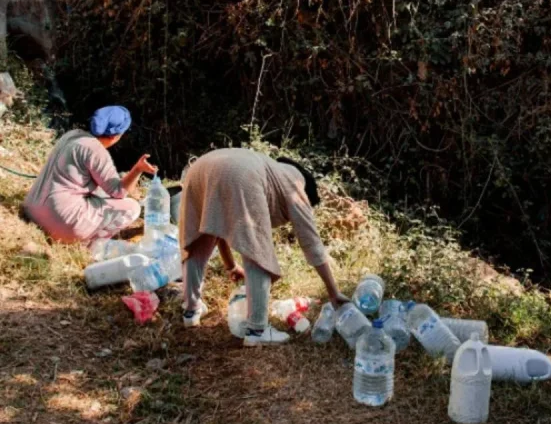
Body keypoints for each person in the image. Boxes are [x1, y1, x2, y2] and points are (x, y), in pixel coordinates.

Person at [179, 148, 349, 346]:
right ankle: (257, 330)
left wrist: (231, 266)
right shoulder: (296, 185)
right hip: (240, 174)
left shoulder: (273, 169)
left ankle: (191, 310)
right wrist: (333, 291)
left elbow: (217, 225)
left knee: (198, 242)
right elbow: (312, 243)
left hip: (199, 168)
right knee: (258, 251)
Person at [22, 105, 157, 244]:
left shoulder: (72, 135)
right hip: (58, 223)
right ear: (115, 136)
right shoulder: (96, 151)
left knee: (101, 192)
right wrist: (138, 169)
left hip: (32, 209)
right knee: (132, 208)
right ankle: (92, 244)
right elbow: (119, 192)